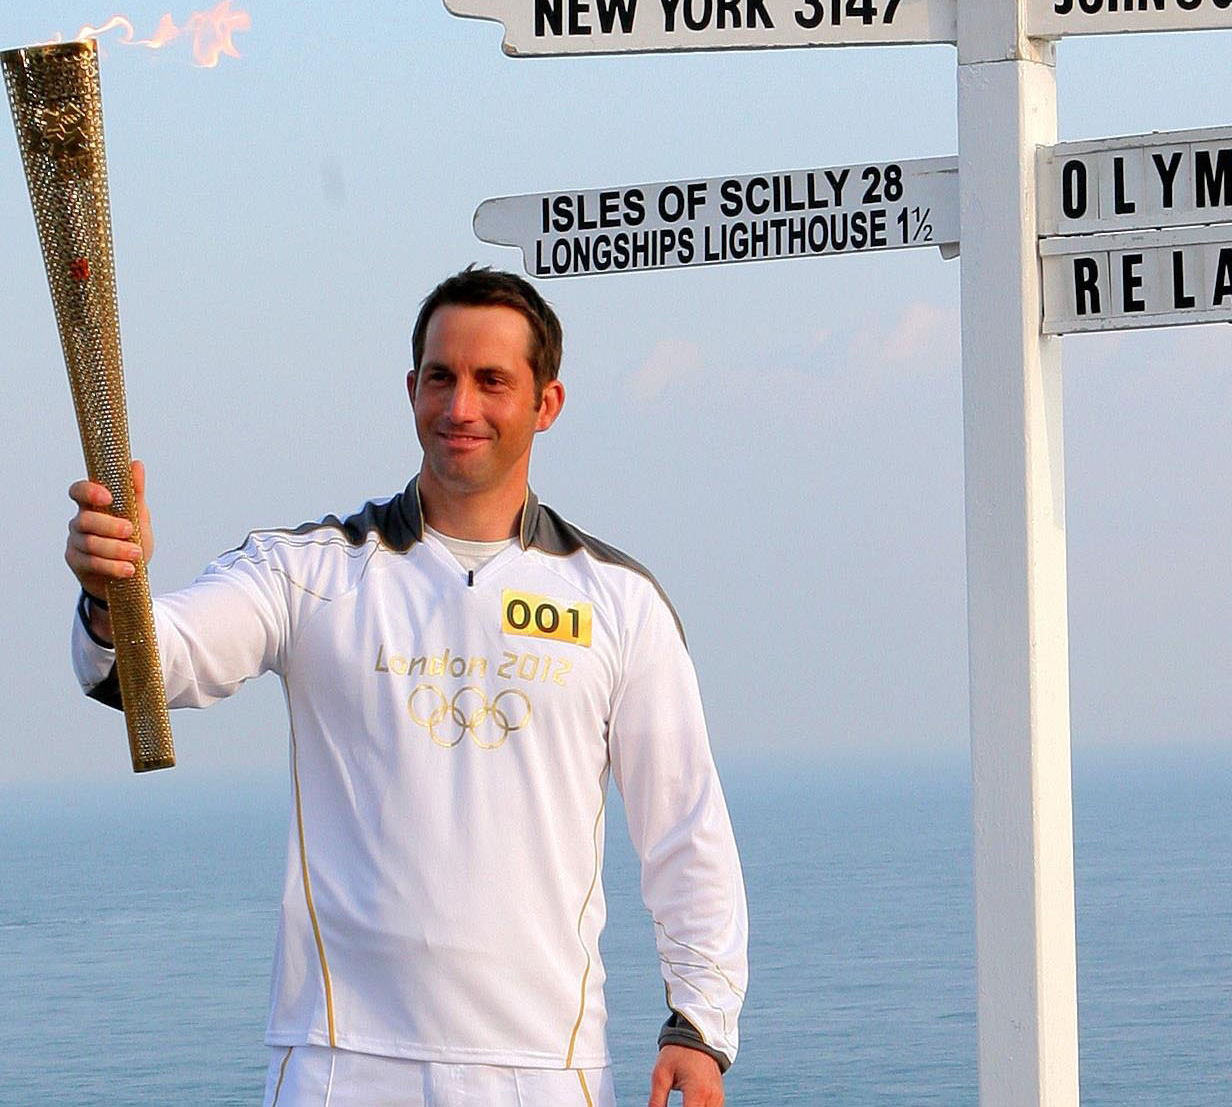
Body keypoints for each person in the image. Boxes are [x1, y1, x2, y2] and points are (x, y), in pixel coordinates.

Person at [64, 267, 746, 1107]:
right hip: (339, 1063)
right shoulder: (311, 572)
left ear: (546, 403)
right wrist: (111, 596)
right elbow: (147, 667)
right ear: (411, 387)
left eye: (492, 381)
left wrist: (700, 1026)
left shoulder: (617, 602)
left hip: (543, 1070)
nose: (460, 407)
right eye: (440, 377)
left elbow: (684, 827)